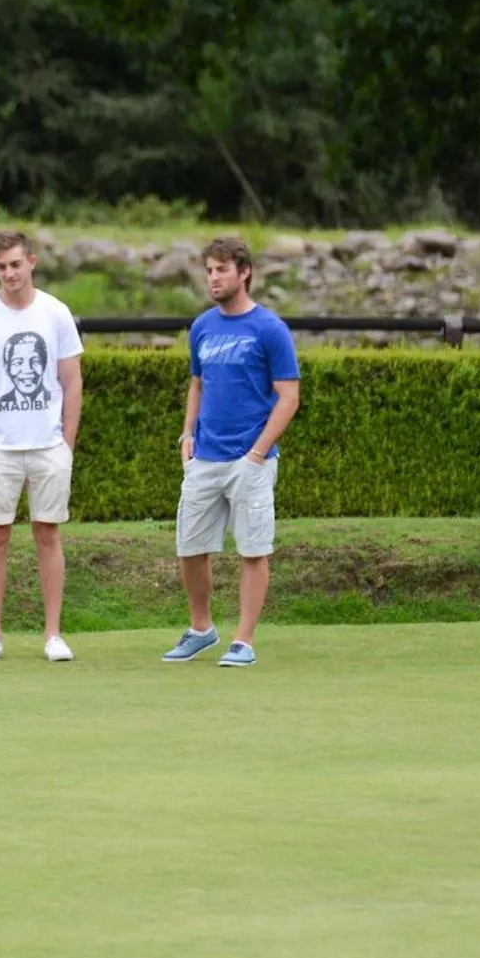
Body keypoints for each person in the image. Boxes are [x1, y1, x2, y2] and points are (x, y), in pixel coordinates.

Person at [162, 238, 301, 668]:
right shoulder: (202, 326)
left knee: (252, 550)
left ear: (244, 272)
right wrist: (187, 434)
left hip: (250, 459)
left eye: (221, 270)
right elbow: (198, 384)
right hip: (205, 456)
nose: (213, 278)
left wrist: (258, 453)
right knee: (189, 547)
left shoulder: (270, 329)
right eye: (208, 271)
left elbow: (289, 396)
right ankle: (202, 629)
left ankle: (243, 641)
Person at [0, 230, 84, 663]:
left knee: (48, 533)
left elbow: (71, 380)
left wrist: (66, 443)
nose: (9, 273)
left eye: (14, 264)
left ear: (32, 261)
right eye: (0, 267)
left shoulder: (56, 313)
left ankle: (53, 634)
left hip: (48, 446)